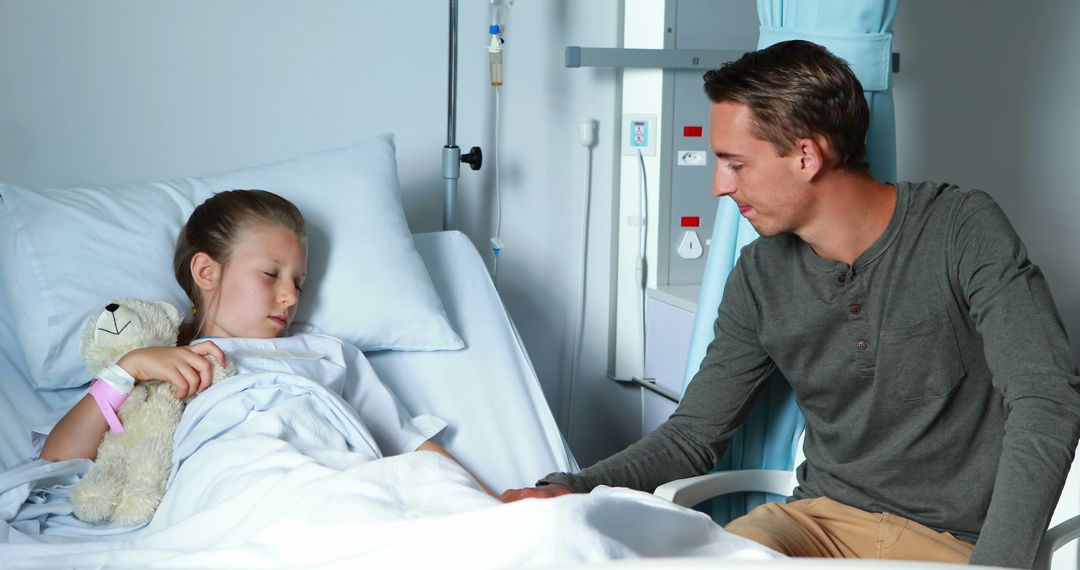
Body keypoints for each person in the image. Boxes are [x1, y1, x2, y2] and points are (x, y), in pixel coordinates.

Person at [501, 40, 1080, 568]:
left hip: (953, 544)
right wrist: (573, 487)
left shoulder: (960, 229)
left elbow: (1047, 399)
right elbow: (692, 436)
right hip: (809, 527)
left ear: (806, 156)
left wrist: (999, 564)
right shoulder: (758, 275)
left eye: (735, 163)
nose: (719, 186)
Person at [40, 189, 491, 495]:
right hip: (236, 486)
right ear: (206, 271)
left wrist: (491, 500)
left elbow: (408, 443)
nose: (292, 296)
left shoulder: (326, 354)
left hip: (336, 478)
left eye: (299, 281)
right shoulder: (164, 360)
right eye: (271, 274)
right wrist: (129, 368)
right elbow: (58, 457)